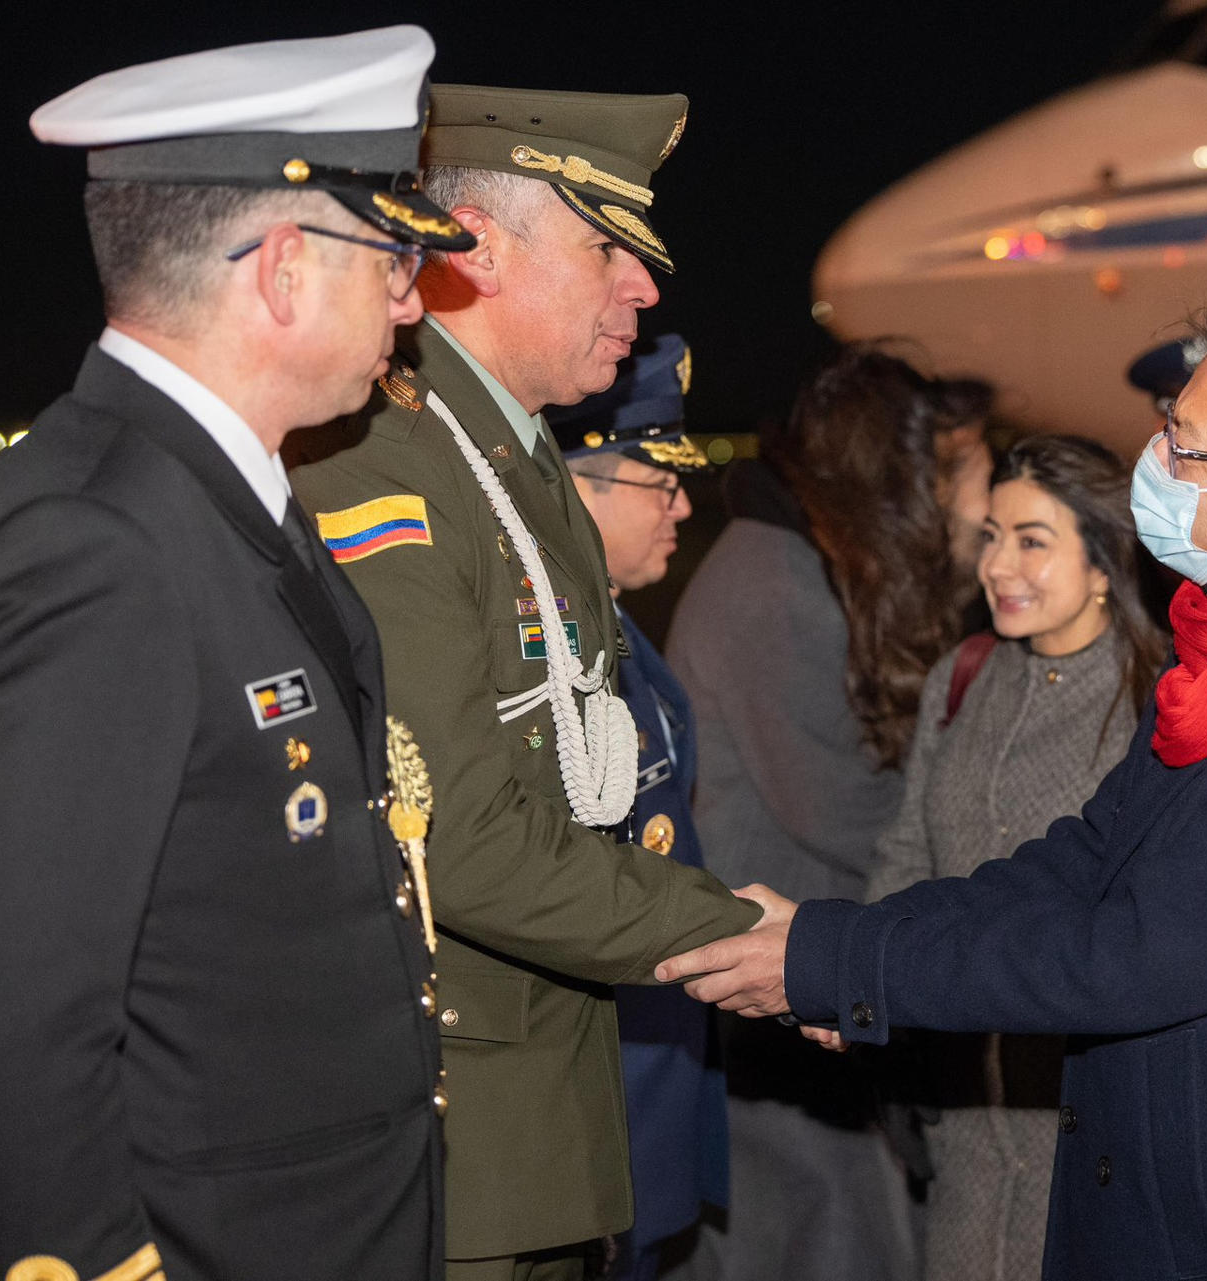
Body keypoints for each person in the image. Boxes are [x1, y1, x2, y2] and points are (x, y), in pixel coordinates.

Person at [663, 257, 1207, 1281]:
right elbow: (1086, 858)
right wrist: (846, 946)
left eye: (1187, 446)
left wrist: (843, 968)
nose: (1155, 459)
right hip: (1166, 1213)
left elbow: (1128, 956)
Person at [0, 28, 472, 1281]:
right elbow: (10, 1034)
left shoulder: (217, 495)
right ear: (281, 269)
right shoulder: (90, 540)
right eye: (394, 256)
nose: (413, 297)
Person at [288, 87, 762, 1281]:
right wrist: (747, 938)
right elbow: (456, 830)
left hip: (536, 1118)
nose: (645, 290)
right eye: (610, 248)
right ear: (481, 251)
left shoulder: (510, 454)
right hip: (458, 1137)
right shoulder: (387, 458)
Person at [664, 343, 991, 1280]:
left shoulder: (806, 570)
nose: (975, 510)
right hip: (780, 1017)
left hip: (808, 992)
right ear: (897, 481)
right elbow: (855, 816)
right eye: (960, 478)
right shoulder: (778, 588)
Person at [864, 434, 1169, 1281]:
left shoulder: (1156, 702)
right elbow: (908, 852)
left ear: (1105, 562)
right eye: (992, 536)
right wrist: (864, 976)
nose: (999, 565)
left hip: (1086, 1119)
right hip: (963, 1116)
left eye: (1033, 540)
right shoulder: (961, 678)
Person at [543, 335, 731, 1280]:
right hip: (601, 1107)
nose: (685, 506)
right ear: (579, 487)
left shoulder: (616, 634)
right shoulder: (557, 656)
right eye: (661, 482)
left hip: (651, 1089)